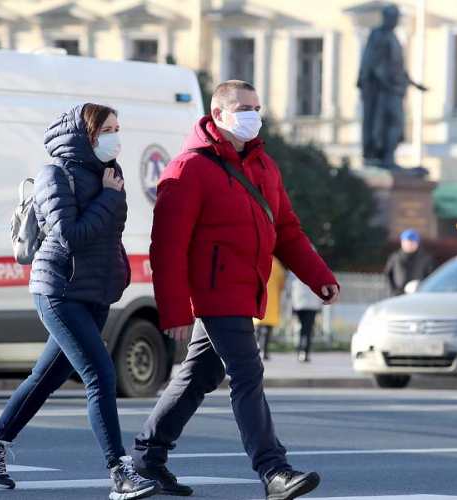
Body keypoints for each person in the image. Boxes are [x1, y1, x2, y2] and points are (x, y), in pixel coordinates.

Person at [132, 80, 340, 500]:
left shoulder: (264, 166)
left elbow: (287, 231)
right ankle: (273, 470)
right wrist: (174, 311)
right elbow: (167, 247)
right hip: (214, 291)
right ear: (219, 114)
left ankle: (148, 457)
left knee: (201, 374)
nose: (254, 115)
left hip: (243, 289)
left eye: (257, 107)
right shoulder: (188, 168)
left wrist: (318, 276)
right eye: (245, 107)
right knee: (247, 372)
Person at [0, 104, 160, 500]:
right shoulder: (54, 175)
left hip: (96, 292)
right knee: (101, 375)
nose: (115, 136)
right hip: (58, 290)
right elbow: (71, 235)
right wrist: (108, 197)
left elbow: (109, 235)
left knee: (47, 378)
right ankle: (119, 472)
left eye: (118, 128)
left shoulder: (111, 172)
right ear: (85, 133)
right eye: (108, 129)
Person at [357, 4, 427, 169]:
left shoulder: (393, 37)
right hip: (383, 92)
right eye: (393, 17)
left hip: (395, 90)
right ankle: (385, 157)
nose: (396, 21)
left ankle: (389, 156)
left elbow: (398, 68)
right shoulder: (379, 35)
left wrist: (415, 84)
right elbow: (372, 65)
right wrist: (386, 82)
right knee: (389, 123)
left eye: (397, 18)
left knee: (395, 124)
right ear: (386, 17)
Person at [385, 229, 434, 297]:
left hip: (418, 296)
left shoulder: (425, 259)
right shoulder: (395, 258)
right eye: (406, 242)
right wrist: (393, 293)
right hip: (398, 295)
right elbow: (389, 276)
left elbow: (431, 277)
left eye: (411, 242)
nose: (409, 245)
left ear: (417, 243)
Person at [255, 258, 286, 361]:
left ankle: (258, 348)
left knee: (258, 328)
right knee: (267, 330)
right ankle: (265, 351)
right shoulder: (277, 266)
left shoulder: (259, 261)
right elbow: (282, 284)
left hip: (259, 298)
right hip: (272, 301)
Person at [290, 272, 322, 363]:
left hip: (298, 304)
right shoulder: (316, 269)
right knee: (307, 330)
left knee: (300, 330)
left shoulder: (294, 271)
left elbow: (289, 289)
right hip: (312, 305)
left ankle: (300, 350)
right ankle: (305, 352)